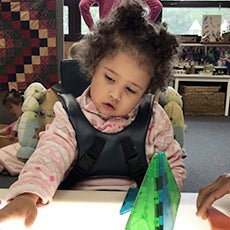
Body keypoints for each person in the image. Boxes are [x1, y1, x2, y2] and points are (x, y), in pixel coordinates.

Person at [0, 0, 186, 227]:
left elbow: (172, 167)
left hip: (134, 214)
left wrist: (160, 203)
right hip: (77, 210)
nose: (115, 95)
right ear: (93, 66)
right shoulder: (68, 117)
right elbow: (48, 158)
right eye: (109, 78)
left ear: (145, 91)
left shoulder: (155, 120)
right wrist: (27, 196)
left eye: (130, 89)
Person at [79, 0, 163, 30]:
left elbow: (83, 5)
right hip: (132, 31)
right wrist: (145, 25)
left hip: (108, 31)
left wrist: (93, 28)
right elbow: (157, 6)